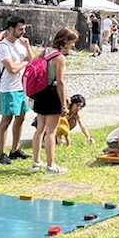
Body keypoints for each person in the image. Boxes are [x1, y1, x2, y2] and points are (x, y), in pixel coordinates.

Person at [29, 27, 77, 174]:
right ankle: (51, 166)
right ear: (66, 41)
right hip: (52, 94)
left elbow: (32, 63)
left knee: (40, 129)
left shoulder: (45, 51)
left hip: (40, 93)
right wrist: (64, 104)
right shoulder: (60, 58)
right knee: (51, 131)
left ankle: (36, 161)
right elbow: (60, 82)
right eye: (72, 42)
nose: (73, 45)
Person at [0, 16, 34, 165]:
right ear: (11, 29)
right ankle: (2, 153)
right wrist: (25, 62)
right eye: (20, 29)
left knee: (21, 117)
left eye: (24, 29)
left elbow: (33, 61)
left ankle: (15, 149)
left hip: (21, 87)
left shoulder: (20, 44)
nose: (23, 32)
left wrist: (28, 47)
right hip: (9, 88)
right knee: (7, 119)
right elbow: (11, 69)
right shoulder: (3, 47)